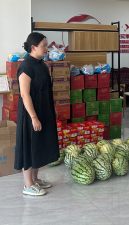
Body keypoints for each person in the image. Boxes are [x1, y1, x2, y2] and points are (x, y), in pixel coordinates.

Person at [14, 32, 59, 196]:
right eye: (44, 45)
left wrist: (52, 108)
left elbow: (47, 90)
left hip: (44, 110)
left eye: (47, 45)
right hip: (31, 114)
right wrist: (34, 117)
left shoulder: (42, 65)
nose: (47, 48)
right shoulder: (26, 67)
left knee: (39, 146)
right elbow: (25, 95)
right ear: (33, 47)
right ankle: (28, 185)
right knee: (30, 146)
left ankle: (35, 179)